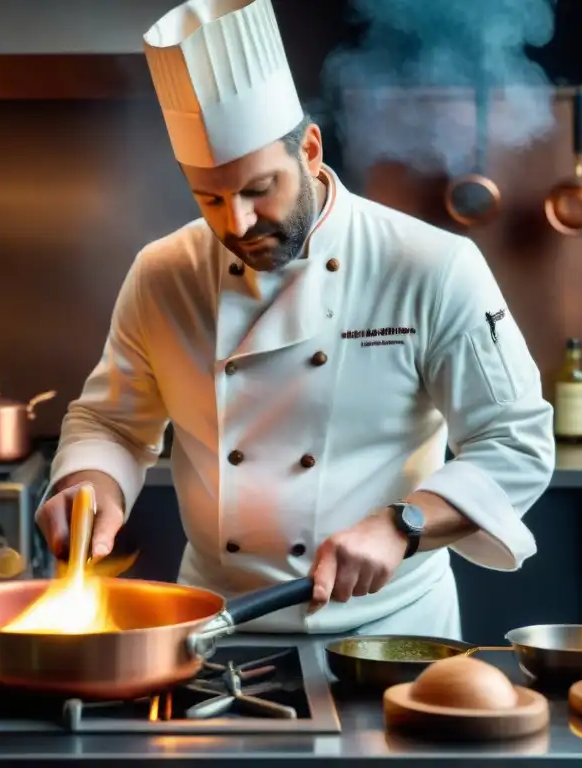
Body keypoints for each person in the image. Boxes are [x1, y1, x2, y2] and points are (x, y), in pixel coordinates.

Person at [36, 0, 555, 638]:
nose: (238, 224)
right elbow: (110, 422)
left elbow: (516, 441)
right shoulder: (162, 272)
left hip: (392, 632)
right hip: (212, 627)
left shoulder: (431, 265)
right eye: (210, 199)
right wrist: (91, 488)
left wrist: (405, 524)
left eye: (259, 189)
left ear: (310, 150)